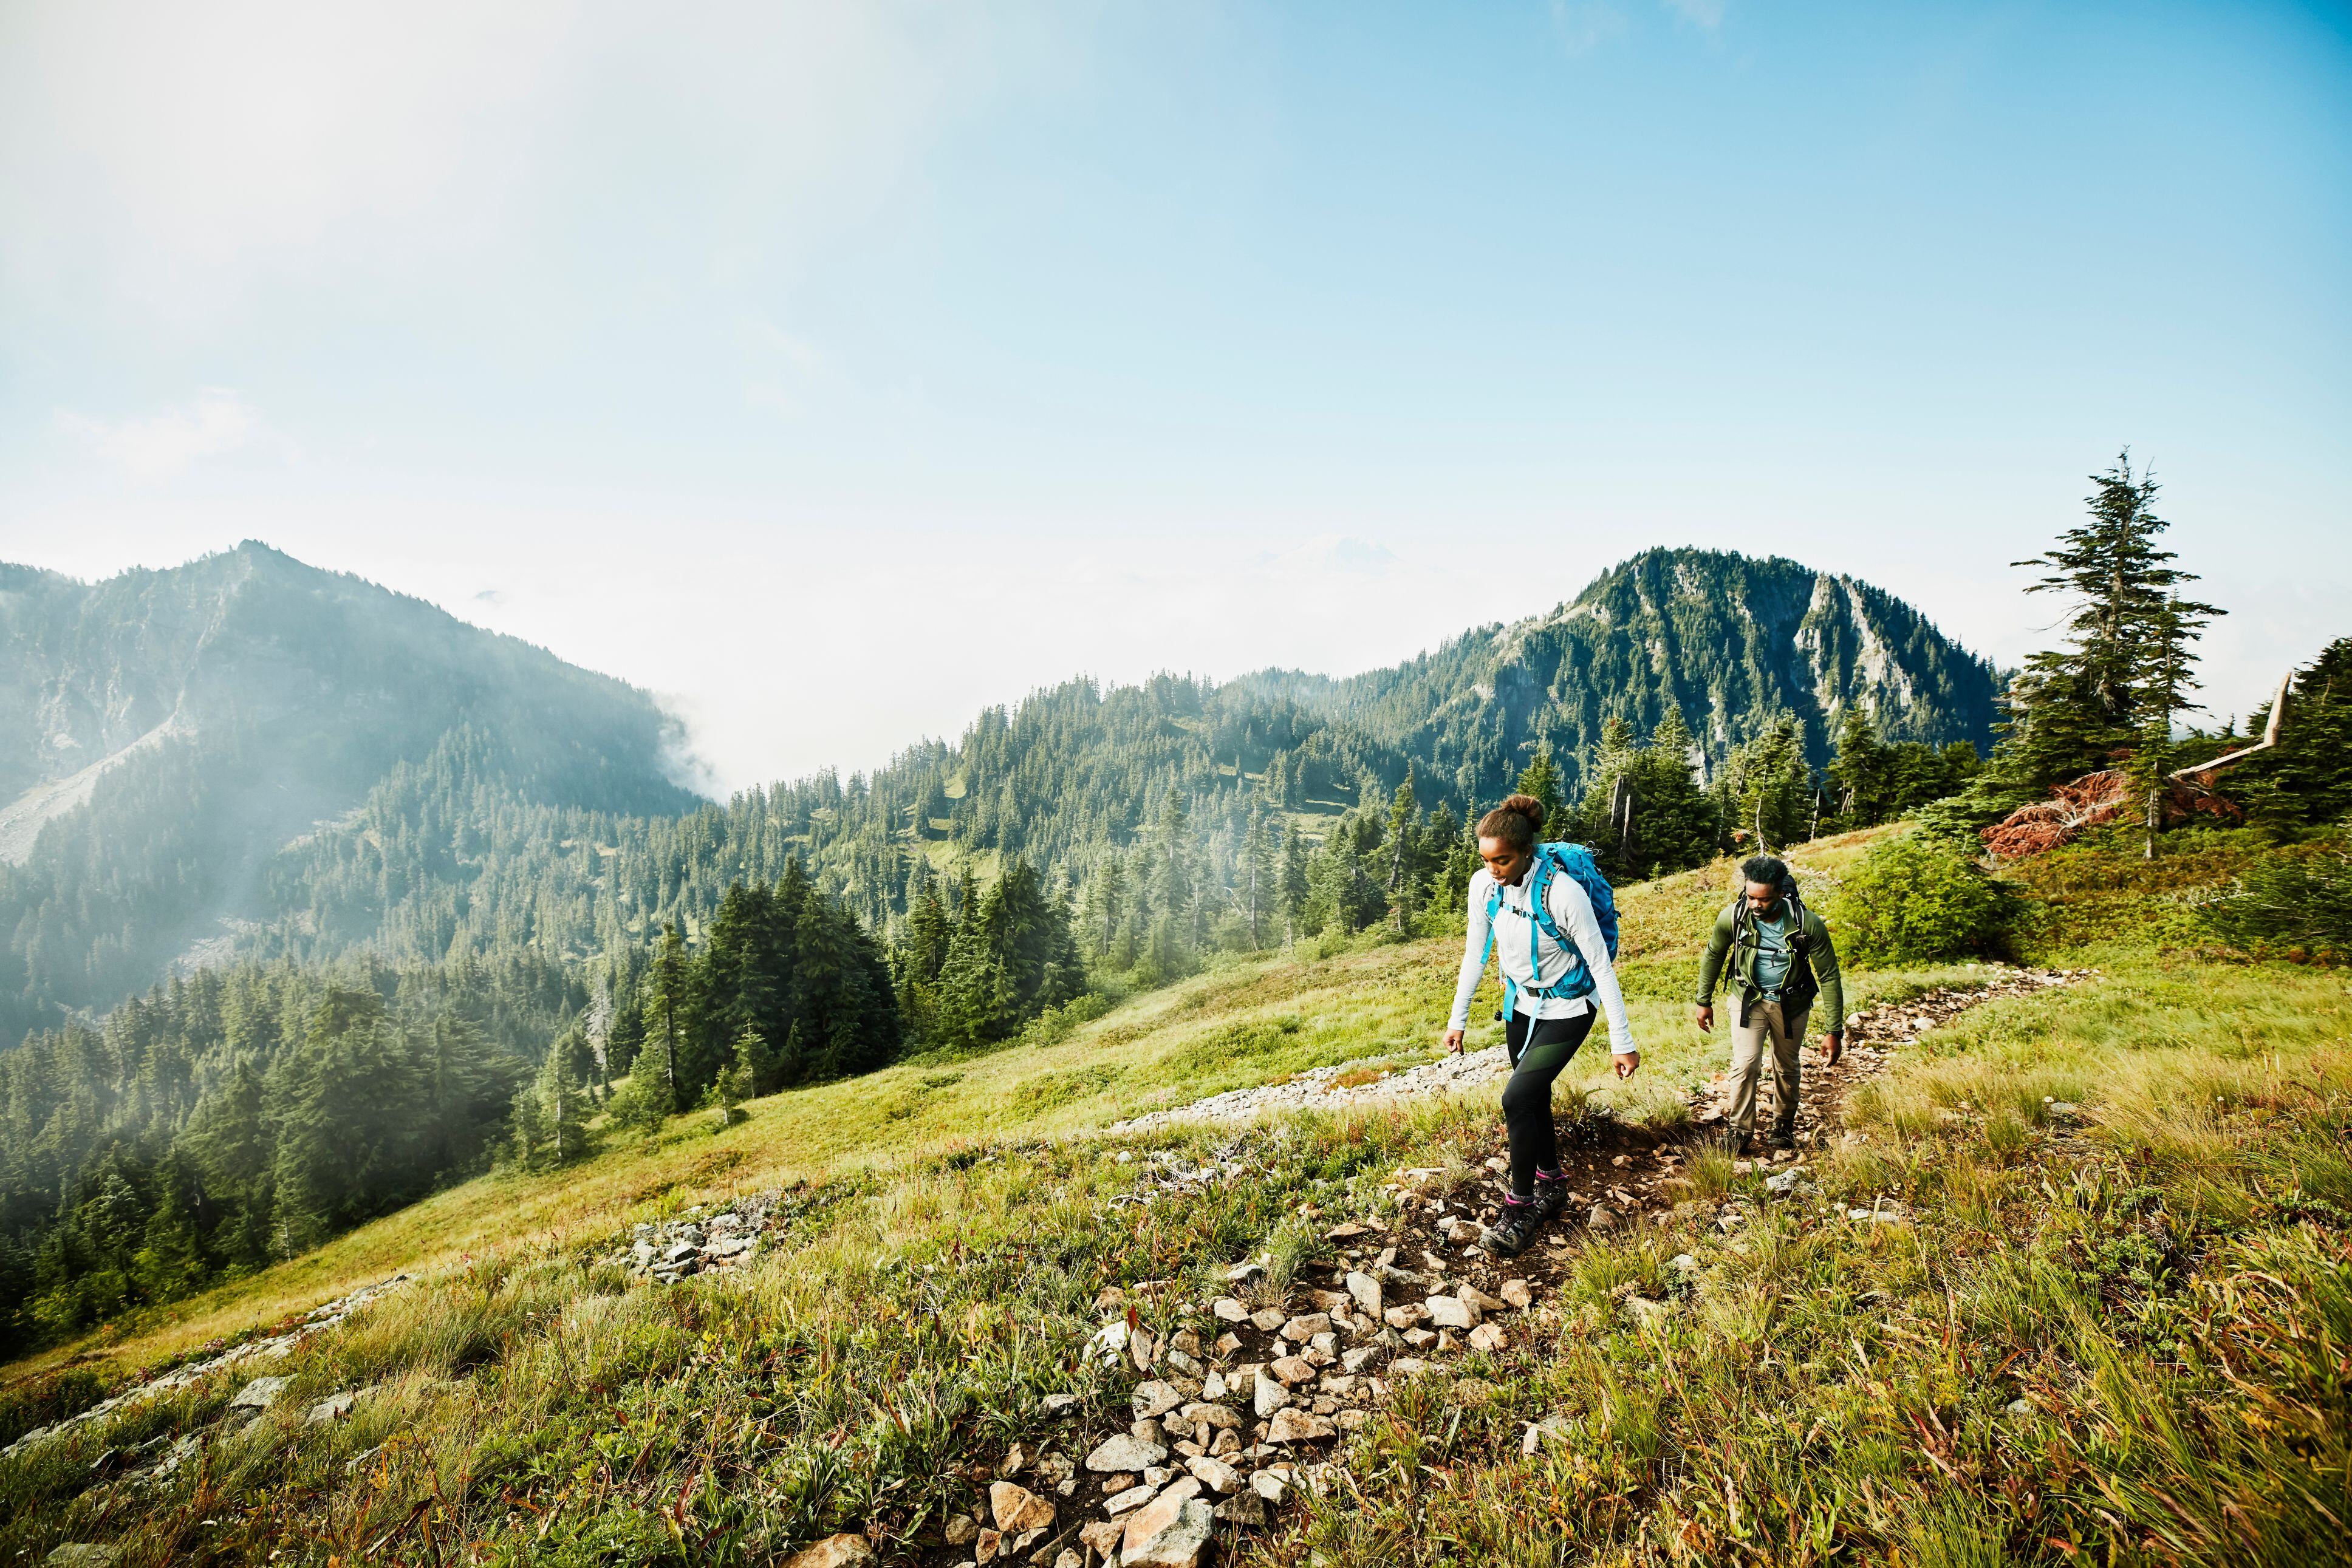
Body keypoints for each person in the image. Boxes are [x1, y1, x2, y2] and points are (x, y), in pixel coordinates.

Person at [1442, 793, 1639, 1257]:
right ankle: (1552, 1181)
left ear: (1527, 850)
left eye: (1503, 860)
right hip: (1522, 1006)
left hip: (1569, 1009)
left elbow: (1600, 965)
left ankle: (1521, 1206)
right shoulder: (1484, 887)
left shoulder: (1562, 893)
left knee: (1516, 1096)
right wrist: (1458, 1018)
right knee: (1533, 1098)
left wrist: (1622, 1041)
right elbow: (1476, 952)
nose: (1493, 869)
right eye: (1486, 860)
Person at [1692, 853, 1844, 1156]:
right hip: (1748, 999)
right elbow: (1713, 955)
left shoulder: (1808, 924)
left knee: (1786, 1066)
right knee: (1746, 1063)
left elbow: (1829, 975)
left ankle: (1783, 1125)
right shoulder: (1733, 916)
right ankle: (1740, 1131)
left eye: (1764, 900)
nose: (1756, 905)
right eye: (1751, 897)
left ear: (1780, 893)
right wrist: (1703, 1001)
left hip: (1792, 1003)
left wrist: (1833, 1031)